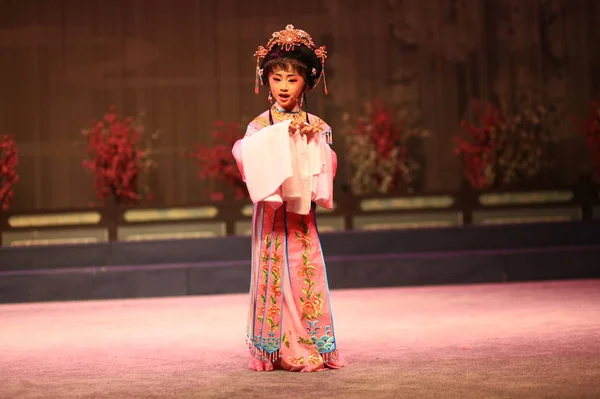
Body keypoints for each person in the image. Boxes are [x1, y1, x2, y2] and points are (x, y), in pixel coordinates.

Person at [232, 24, 347, 372]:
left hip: (301, 216)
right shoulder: (259, 126)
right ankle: (271, 349)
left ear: (307, 83)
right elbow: (245, 159)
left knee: (304, 272)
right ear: (266, 80)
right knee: (272, 276)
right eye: (277, 77)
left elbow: (327, 172)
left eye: (292, 79)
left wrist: (313, 142)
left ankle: (310, 343)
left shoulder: (317, 124)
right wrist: (281, 136)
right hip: (271, 216)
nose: (283, 86)